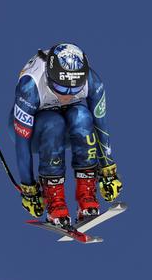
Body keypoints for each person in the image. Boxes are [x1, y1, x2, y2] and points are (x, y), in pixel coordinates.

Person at [9, 43, 123, 228]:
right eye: (61, 88)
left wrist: (108, 169)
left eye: (74, 89)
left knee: (83, 117)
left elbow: (101, 126)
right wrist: (28, 188)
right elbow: (22, 142)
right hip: (39, 132)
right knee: (54, 123)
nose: (67, 96)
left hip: (70, 129)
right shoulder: (30, 86)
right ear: (49, 77)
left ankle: (86, 197)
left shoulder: (93, 82)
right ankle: (55, 202)